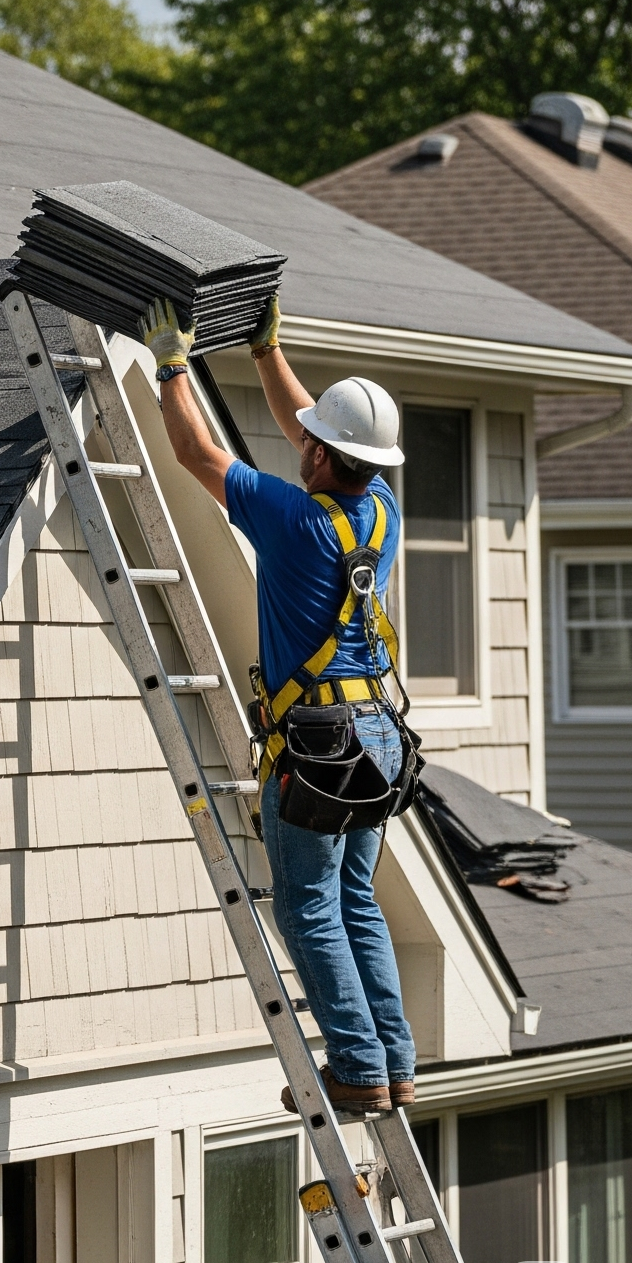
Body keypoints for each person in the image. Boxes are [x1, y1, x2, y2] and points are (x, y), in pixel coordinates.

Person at [145, 292, 417, 1116]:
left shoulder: (293, 518)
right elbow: (314, 430)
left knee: (307, 909)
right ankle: (394, 1061)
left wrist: (171, 364)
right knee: (356, 900)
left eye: (312, 441)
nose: (301, 443)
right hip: (377, 737)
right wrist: (268, 353)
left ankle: (358, 1067)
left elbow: (194, 450)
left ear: (323, 454)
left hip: (319, 749)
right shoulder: (380, 508)